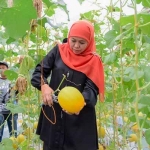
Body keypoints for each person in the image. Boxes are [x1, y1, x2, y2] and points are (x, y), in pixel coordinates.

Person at [31, 20, 105, 150]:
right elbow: (39, 71)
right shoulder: (58, 51)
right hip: (53, 115)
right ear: (69, 37)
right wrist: (44, 85)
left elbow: (92, 90)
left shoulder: (94, 60)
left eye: (82, 42)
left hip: (78, 121)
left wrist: (80, 102)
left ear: (89, 42)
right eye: (73, 40)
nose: (76, 46)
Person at [0, 61, 18, 142]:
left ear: (8, 69)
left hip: (12, 112)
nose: (1, 70)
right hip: (0, 112)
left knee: (14, 134)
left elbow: (19, 93)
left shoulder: (14, 80)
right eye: (0, 69)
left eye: (3, 68)